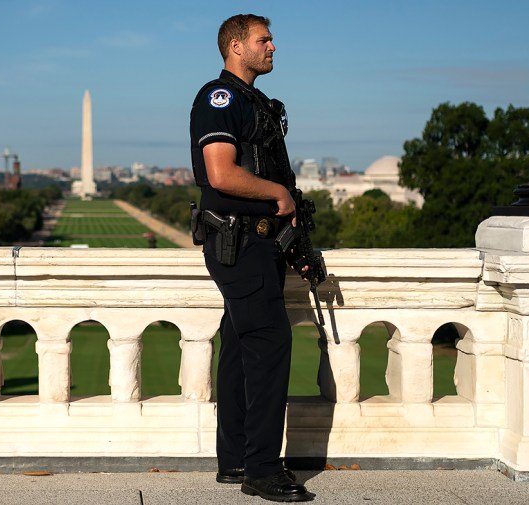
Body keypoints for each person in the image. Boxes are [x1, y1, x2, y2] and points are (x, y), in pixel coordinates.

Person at [189, 14, 313, 502]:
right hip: (239, 244)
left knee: (242, 348)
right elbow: (220, 174)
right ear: (236, 46)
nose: (273, 47)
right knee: (269, 348)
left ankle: (237, 460)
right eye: (264, 40)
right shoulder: (219, 98)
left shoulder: (257, 103)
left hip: (257, 243)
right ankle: (262, 469)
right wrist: (279, 193)